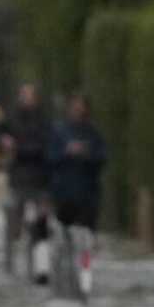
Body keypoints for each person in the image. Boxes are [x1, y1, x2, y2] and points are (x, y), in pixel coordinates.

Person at [0, 83, 53, 283]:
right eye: (23, 95)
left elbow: (44, 146)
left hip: (40, 181)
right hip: (18, 180)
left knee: (41, 226)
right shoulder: (11, 118)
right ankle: (10, 265)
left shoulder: (44, 121)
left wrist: (18, 149)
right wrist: (2, 140)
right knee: (13, 222)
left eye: (30, 96)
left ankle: (40, 269)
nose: (26, 99)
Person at [49, 94, 107, 232]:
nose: (78, 110)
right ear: (69, 108)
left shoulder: (94, 132)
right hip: (64, 193)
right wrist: (67, 152)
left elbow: (102, 157)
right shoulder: (59, 131)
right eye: (75, 107)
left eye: (81, 107)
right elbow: (50, 158)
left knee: (86, 234)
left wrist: (86, 153)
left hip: (88, 193)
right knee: (65, 232)